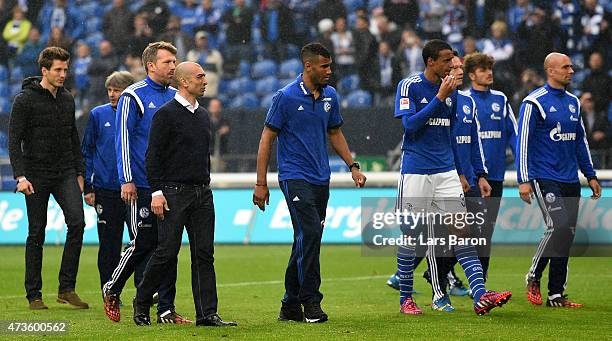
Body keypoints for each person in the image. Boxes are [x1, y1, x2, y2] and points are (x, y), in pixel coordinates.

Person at [393, 39, 511, 315]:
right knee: (411, 236)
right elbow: (410, 127)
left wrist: (460, 172)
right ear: (431, 62)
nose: (452, 66)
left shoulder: (454, 93)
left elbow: (452, 136)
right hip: (416, 171)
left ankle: (480, 294)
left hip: (446, 171)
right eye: (447, 60)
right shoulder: (409, 86)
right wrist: (439, 98)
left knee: (462, 232)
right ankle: (405, 299)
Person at [253, 43, 367, 323]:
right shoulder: (286, 97)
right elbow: (267, 138)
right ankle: (311, 302)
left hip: (321, 178)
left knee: (305, 240)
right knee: (311, 235)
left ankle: (289, 305)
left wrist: (353, 166)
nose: (329, 71)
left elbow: (335, 132)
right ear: (308, 66)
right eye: (324, 66)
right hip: (294, 177)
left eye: (330, 66)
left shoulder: (330, 95)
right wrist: (261, 183)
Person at [134, 62, 237, 327]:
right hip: (173, 193)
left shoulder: (203, 115)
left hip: (202, 194)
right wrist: (156, 191)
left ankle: (207, 314)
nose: (205, 81)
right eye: (200, 77)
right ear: (184, 82)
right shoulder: (165, 115)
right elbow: (152, 156)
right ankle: (142, 301)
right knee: (166, 252)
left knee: (204, 254)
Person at [103, 42, 188, 324]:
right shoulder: (133, 96)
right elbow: (123, 140)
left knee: (170, 246)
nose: (173, 66)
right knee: (143, 243)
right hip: (140, 184)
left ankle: (166, 309)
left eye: (175, 61)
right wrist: (126, 179)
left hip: (171, 186)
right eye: (167, 62)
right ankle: (113, 288)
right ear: (151, 65)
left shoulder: (177, 96)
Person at [517, 52, 601, 308]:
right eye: (566, 67)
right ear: (550, 71)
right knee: (559, 227)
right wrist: (524, 179)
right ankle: (533, 274)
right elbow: (523, 143)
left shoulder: (574, 102)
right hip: (545, 178)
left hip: (570, 179)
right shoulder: (534, 102)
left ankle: (556, 295)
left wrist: (590, 174)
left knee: (567, 235)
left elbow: (580, 142)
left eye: (572, 67)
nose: (571, 71)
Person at [9, 46, 88, 310]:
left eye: (66, 69)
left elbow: (73, 138)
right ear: (45, 71)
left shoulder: (67, 98)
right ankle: (34, 295)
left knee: (77, 223)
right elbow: (13, 142)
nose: (63, 74)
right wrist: (20, 176)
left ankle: (67, 288)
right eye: (58, 70)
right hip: (35, 174)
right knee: (36, 232)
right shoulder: (24, 100)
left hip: (65, 172)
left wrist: (79, 173)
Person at [462, 52, 517, 279]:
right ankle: (445, 275)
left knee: (486, 232)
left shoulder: (501, 99)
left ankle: (480, 283)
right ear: (472, 75)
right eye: (483, 69)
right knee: (465, 231)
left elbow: (514, 134)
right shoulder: (463, 99)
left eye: (489, 68)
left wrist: (523, 167)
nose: (489, 73)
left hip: (495, 176)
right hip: (470, 177)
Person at [81, 71, 135, 292]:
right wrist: (88, 186)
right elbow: (87, 151)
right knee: (108, 246)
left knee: (141, 243)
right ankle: (109, 290)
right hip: (106, 189)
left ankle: (145, 290)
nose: (113, 94)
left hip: (134, 189)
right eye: (110, 90)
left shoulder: (137, 114)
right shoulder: (97, 115)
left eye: (118, 90)